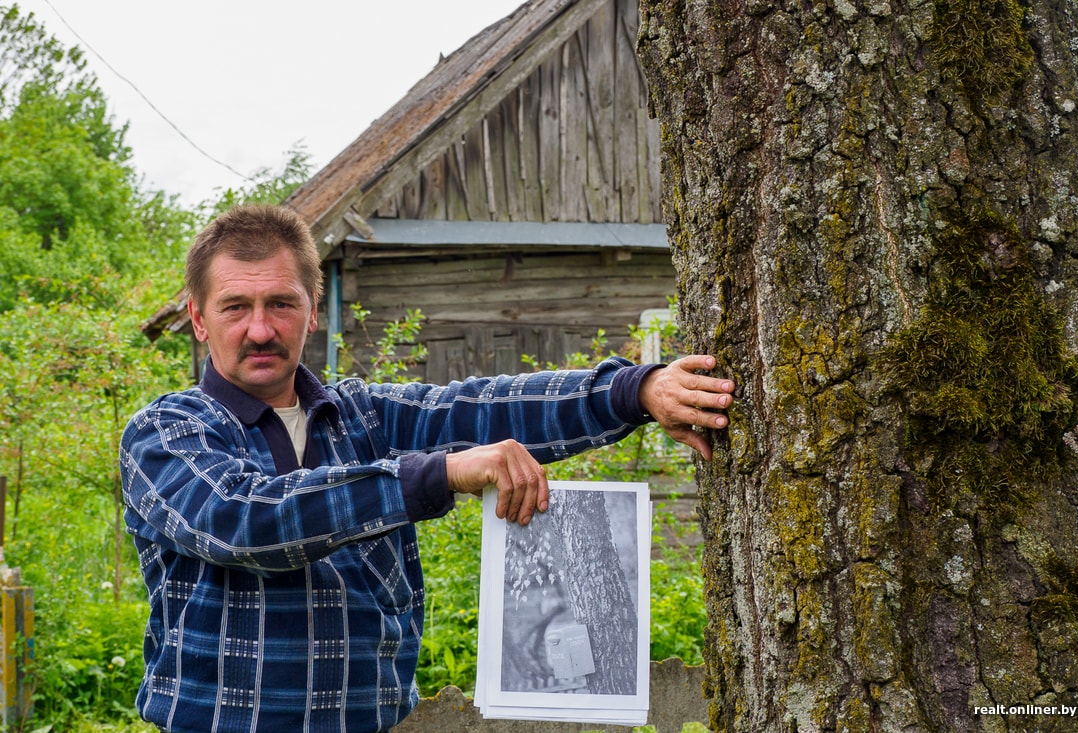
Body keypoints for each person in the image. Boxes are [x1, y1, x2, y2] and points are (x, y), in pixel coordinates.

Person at [120, 204, 734, 733]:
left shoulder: (359, 418)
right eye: (235, 307)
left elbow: (483, 407)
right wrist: (435, 474)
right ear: (199, 321)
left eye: (281, 302)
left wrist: (635, 391)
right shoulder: (166, 433)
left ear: (311, 313)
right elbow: (246, 519)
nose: (260, 328)